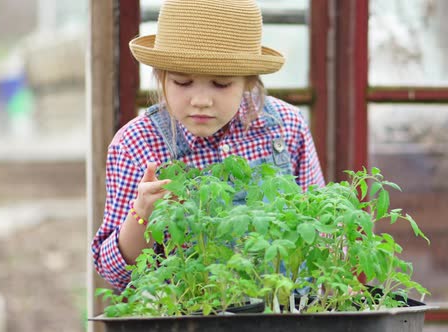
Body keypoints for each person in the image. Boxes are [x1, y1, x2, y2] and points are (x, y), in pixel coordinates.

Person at [91, 0, 325, 291]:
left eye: (221, 84)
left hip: (286, 316)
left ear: (249, 82)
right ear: (161, 77)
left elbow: (321, 229)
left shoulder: (286, 126)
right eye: (182, 82)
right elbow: (116, 274)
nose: (201, 100)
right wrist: (142, 214)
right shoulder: (137, 144)